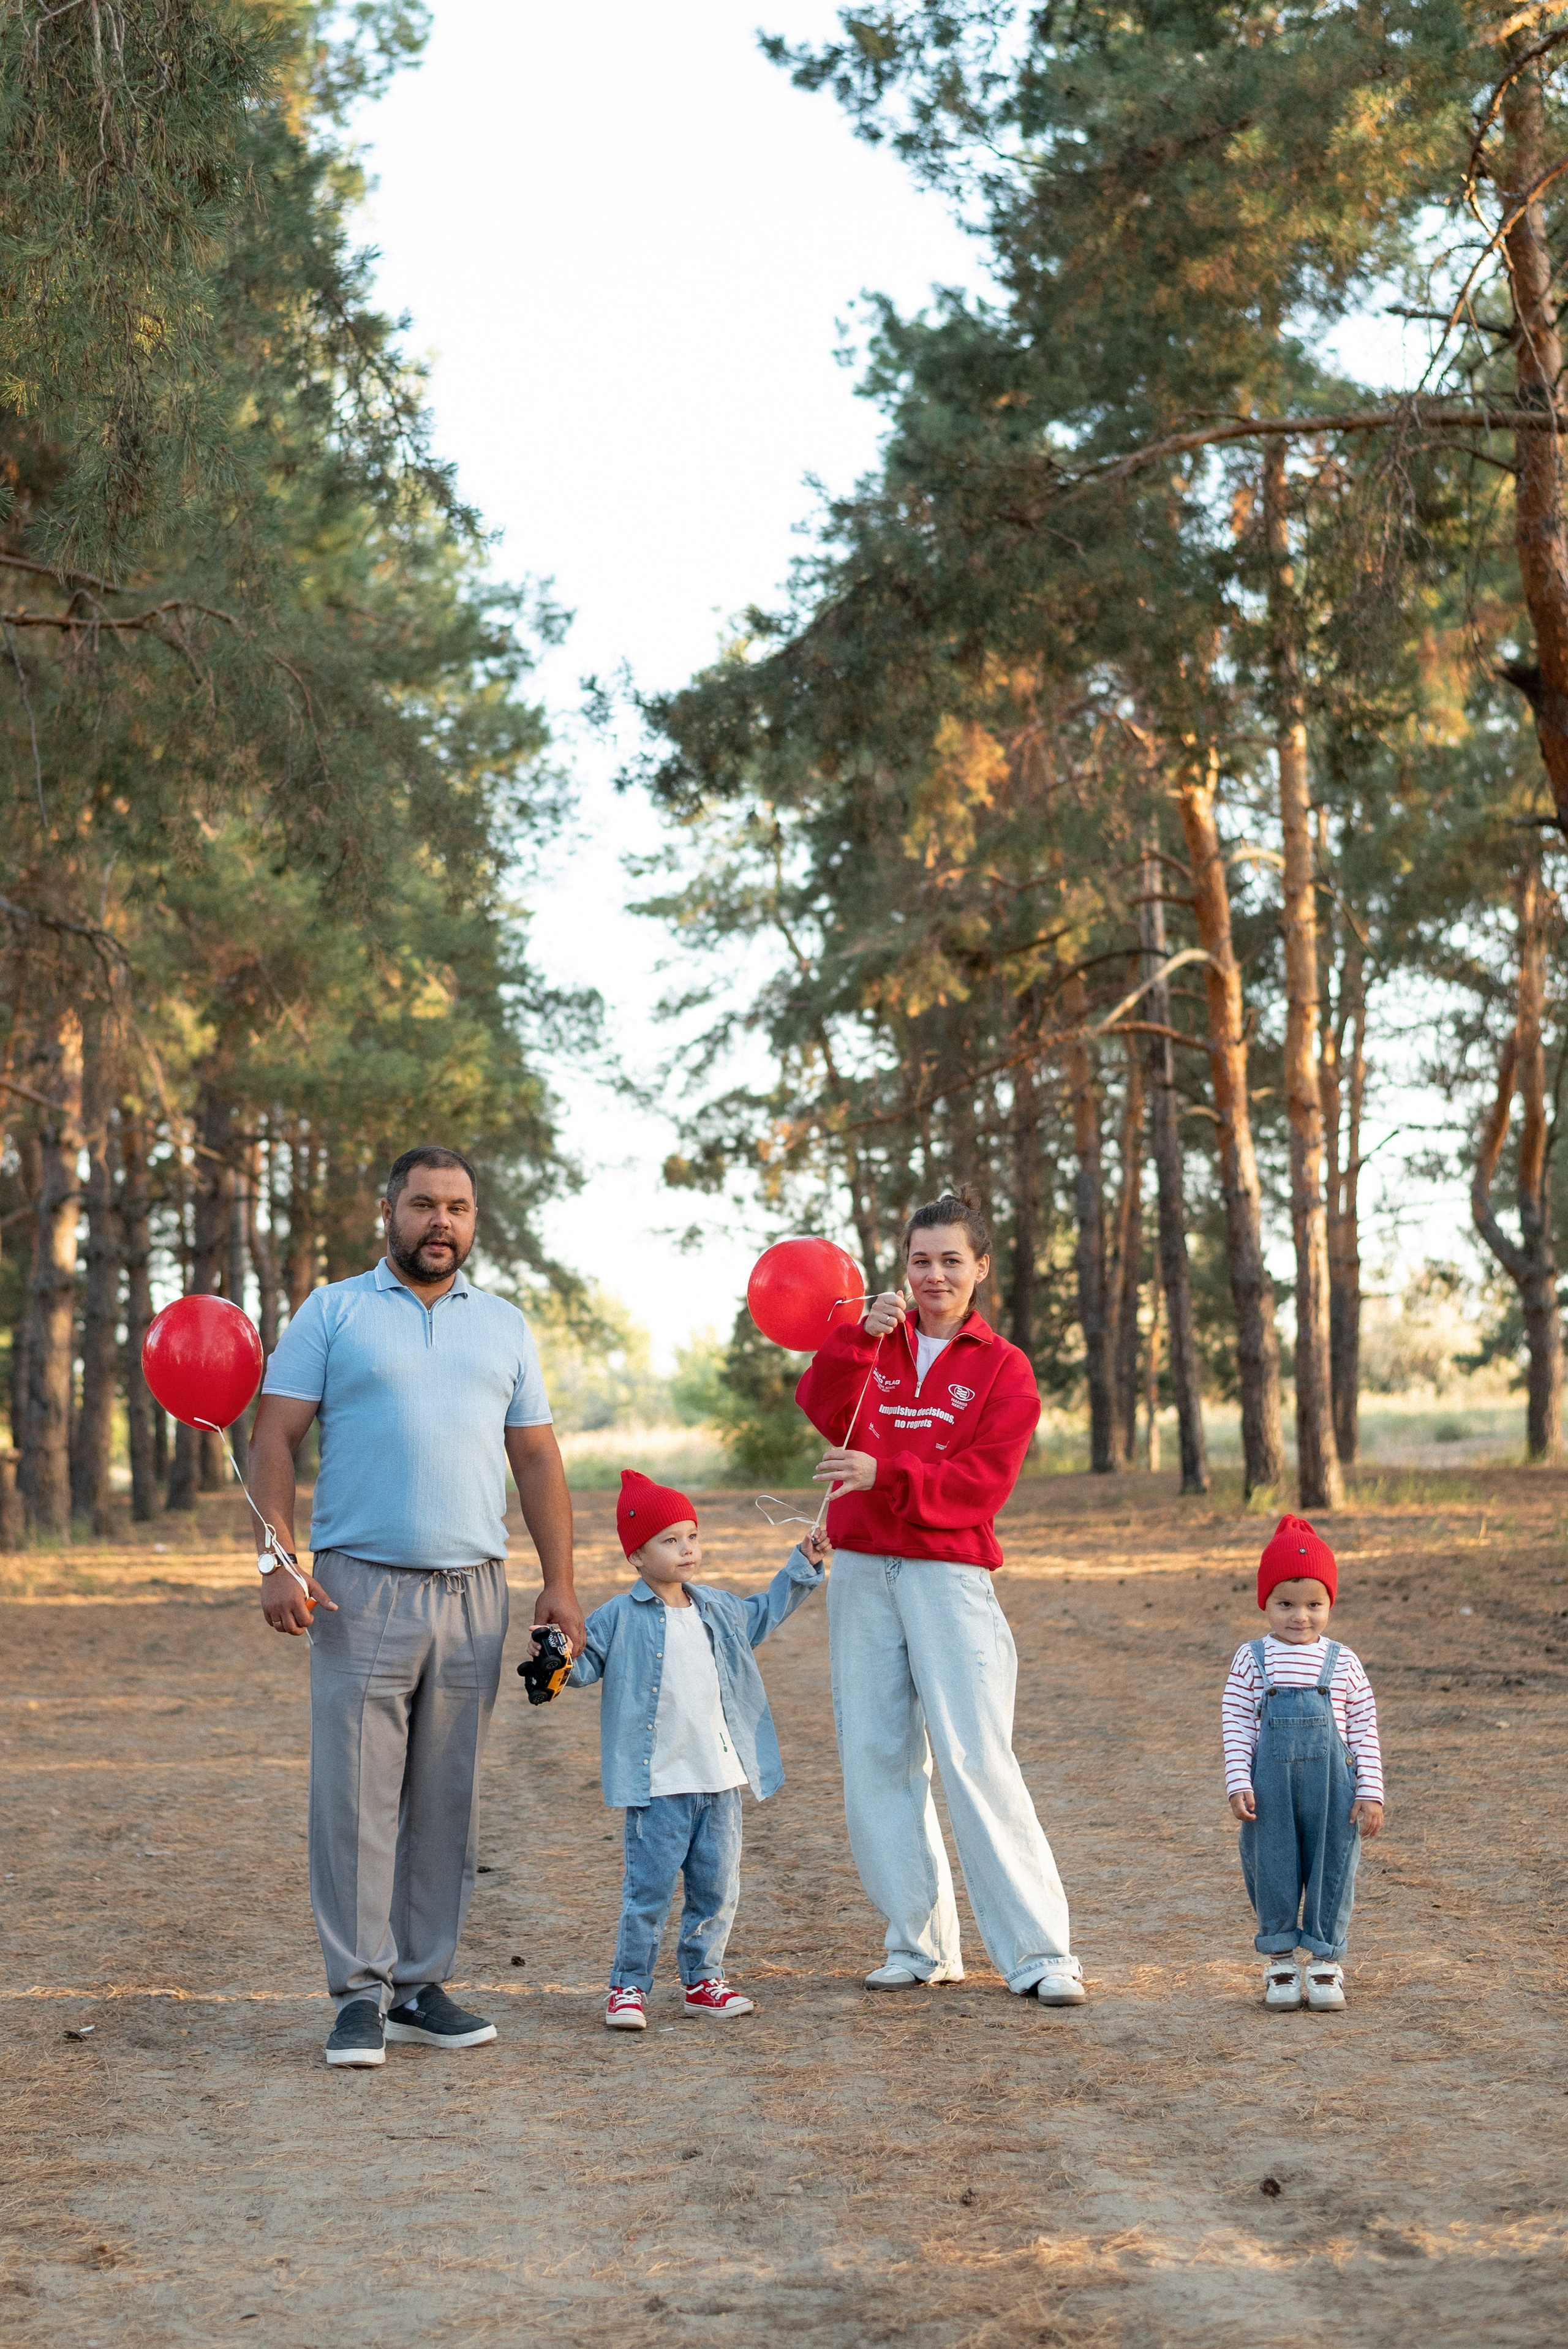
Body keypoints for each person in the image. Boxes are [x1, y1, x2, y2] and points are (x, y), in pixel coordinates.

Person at [248, 1144, 586, 2070]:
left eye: (461, 1208)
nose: (443, 1221)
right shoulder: (334, 1310)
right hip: (360, 1586)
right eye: (426, 1204)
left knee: (448, 1797)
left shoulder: (506, 1325)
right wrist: (278, 1556)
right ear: (388, 1210)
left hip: (477, 1588)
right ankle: (359, 1991)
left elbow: (538, 1461)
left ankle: (420, 1985)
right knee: (356, 1796)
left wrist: (558, 1581)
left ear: (475, 1221)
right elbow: (272, 1434)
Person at [794, 1191, 1084, 2005]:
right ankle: (919, 1944)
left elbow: (982, 1483)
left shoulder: (1004, 1365)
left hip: (948, 1573)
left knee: (975, 1757)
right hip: (861, 1571)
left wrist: (886, 1473)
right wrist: (858, 1337)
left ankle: (1041, 1953)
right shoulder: (874, 1342)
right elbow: (821, 1407)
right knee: (878, 1756)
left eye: (952, 1258)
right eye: (921, 1259)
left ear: (981, 1267)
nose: (934, 1274)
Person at [549, 1469, 826, 2031]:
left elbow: (765, 1611)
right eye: (670, 1540)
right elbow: (583, 1666)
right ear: (637, 1555)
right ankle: (628, 1987)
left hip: (720, 1780)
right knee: (647, 1893)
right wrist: (556, 1656)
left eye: (692, 1536)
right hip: (657, 1786)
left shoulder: (718, 1609)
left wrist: (804, 1564)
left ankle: (704, 1980)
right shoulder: (617, 1617)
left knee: (716, 1889)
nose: (687, 1549)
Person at [1222, 1515, 1384, 2011]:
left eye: (1315, 1604)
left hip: (1334, 1787)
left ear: (1329, 1603)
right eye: (1285, 1604)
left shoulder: (1344, 1661)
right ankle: (1281, 1964)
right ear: (1265, 1603)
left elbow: (1363, 1726)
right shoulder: (1252, 1659)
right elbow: (1236, 1721)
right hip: (1269, 1786)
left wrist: (1371, 1790)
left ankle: (1326, 1963)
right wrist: (1237, 1781)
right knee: (1272, 1865)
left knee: (1332, 1864)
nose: (1300, 1616)